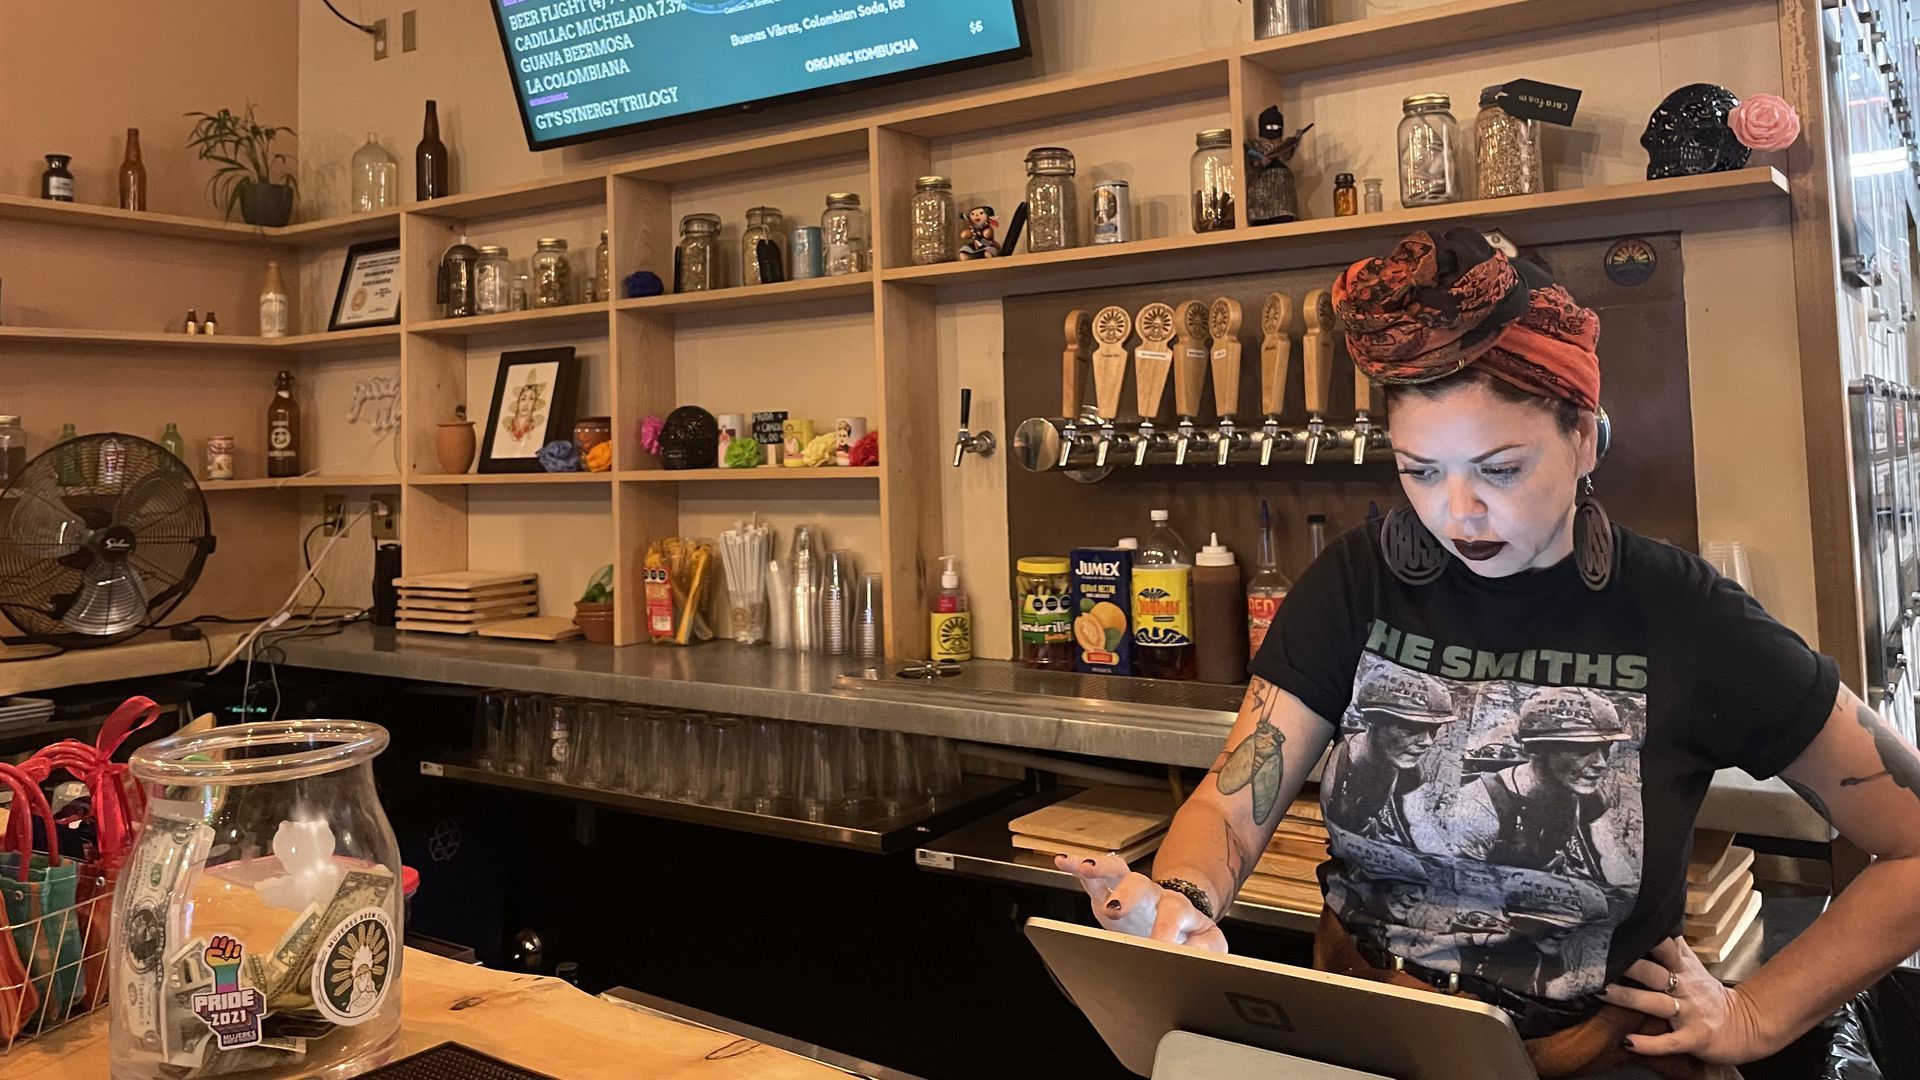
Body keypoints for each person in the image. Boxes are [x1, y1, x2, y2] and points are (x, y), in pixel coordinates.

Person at [1061, 227, 1920, 1076]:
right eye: (1419, 470)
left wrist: (1756, 1014)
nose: (1456, 512)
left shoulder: (1682, 614)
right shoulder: (1358, 583)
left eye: (1499, 469)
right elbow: (1230, 805)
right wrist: (1181, 899)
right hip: (1369, 1039)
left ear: (1584, 438)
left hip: (1588, 1056)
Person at [1322, 666, 1456, 844]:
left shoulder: (1412, 773)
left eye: (1434, 730)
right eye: (1410, 729)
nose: (1427, 741)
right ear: (1373, 720)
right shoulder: (1339, 770)